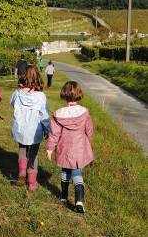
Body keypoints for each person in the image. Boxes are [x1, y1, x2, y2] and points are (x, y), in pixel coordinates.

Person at [46, 81, 94, 213]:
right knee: (77, 171)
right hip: (79, 148)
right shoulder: (84, 112)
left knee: (65, 170)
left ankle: (63, 196)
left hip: (64, 148)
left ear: (64, 94)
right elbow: (89, 130)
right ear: (79, 94)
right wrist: (88, 143)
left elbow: (54, 134)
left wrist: (50, 148)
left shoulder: (59, 114)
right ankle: (79, 201)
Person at [10, 65, 50, 191]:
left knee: (22, 149)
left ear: (24, 76)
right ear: (38, 77)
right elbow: (44, 115)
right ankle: (32, 183)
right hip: (35, 130)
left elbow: (11, 103)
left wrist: (19, 89)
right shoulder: (41, 96)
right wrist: (47, 130)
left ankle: (22, 173)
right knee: (33, 155)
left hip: (21, 128)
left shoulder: (17, 93)